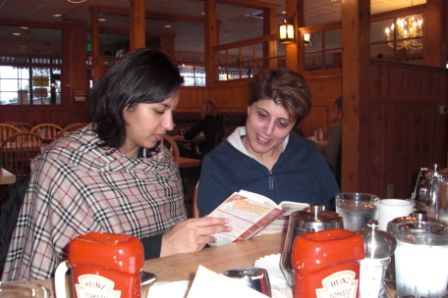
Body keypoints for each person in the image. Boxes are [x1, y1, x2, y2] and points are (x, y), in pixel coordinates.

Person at [2, 49, 230, 281]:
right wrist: (161, 246)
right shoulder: (64, 166)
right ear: (124, 104)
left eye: (173, 111)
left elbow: (178, 250)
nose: (170, 124)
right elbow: (71, 268)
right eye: (159, 111)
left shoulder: (162, 162)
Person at [198, 68, 339, 216]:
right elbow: (212, 235)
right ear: (249, 108)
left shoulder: (309, 155)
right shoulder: (217, 163)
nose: (268, 131)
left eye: (282, 123)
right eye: (262, 115)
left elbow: (333, 212)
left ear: (293, 126)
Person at [323, 96, 342, 186]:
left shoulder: (337, 129)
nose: (330, 112)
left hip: (335, 179)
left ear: (339, 112)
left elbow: (330, 159)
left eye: (333, 109)